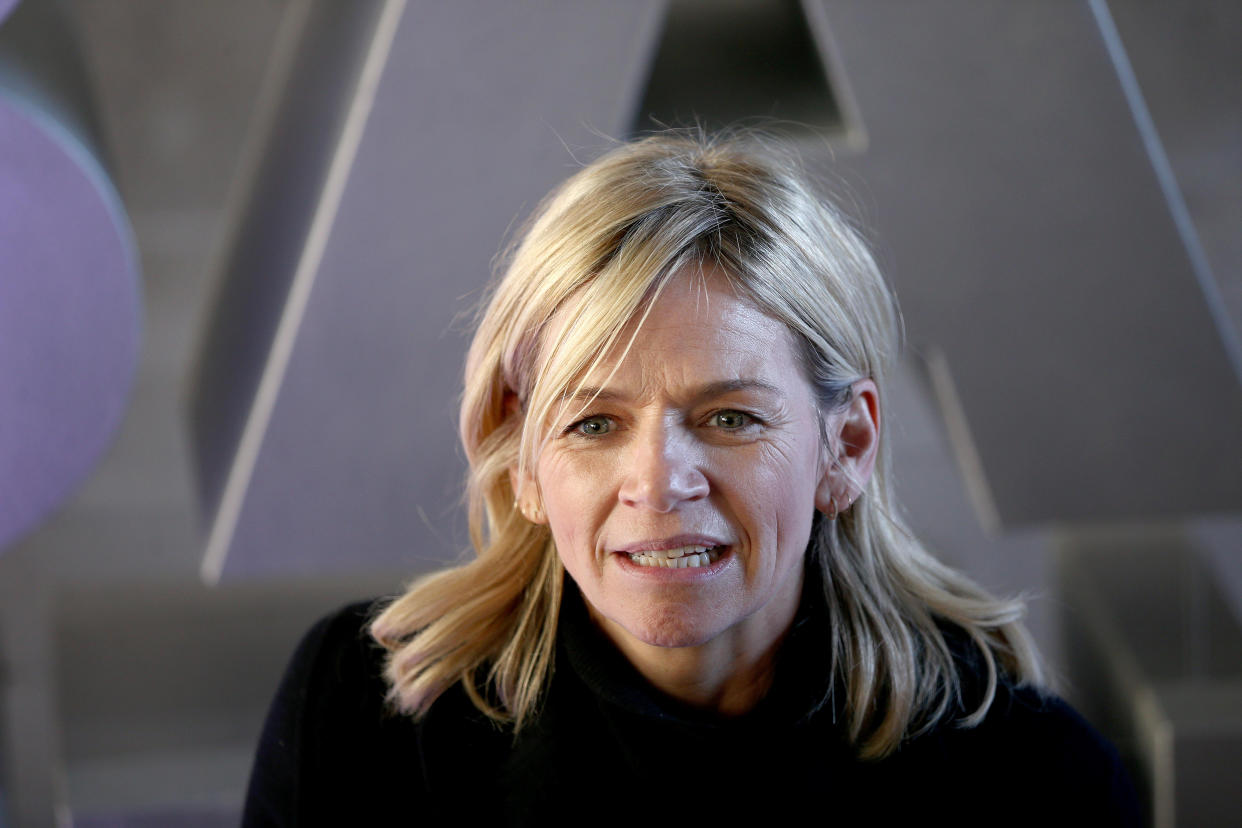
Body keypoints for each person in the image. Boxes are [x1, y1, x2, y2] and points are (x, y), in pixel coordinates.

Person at [242, 131, 1141, 826]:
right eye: (594, 423)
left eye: (730, 419)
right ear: (521, 460)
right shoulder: (362, 725)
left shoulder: (1037, 785)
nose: (660, 482)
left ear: (848, 447)